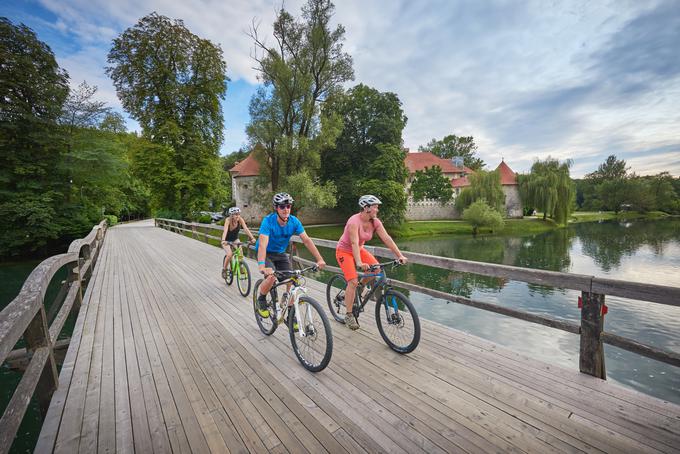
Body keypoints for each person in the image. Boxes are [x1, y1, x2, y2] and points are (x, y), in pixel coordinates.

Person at [335, 195, 407, 330]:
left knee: (376, 270)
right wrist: (359, 262)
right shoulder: (353, 222)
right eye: (375, 207)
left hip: (359, 249)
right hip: (344, 251)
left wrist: (400, 255)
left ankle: (361, 287)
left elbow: (387, 239)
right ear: (366, 208)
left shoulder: (375, 222)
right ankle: (349, 315)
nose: (377, 210)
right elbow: (354, 243)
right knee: (352, 281)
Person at [255, 192, 326, 317]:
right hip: (266, 253)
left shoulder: (294, 222)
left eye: (288, 206)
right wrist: (262, 266)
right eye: (282, 206)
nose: (286, 209)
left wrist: (319, 259)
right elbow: (262, 245)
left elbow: (307, 240)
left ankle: (290, 311)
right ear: (276, 208)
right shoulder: (268, 221)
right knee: (271, 277)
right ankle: (261, 298)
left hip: (280, 253)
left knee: (292, 279)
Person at [221, 207, 256, 279]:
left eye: (239, 214)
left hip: (235, 239)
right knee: (230, 254)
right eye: (236, 214)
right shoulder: (227, 220)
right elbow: (225, 231)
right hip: (226, 240)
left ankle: (240, 266)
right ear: (231, 215)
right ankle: (224, 270)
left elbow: (246, 229)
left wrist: (252, 238)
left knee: (240, 253)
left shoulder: (240, 220)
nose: (238, 216)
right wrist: (223, 240)